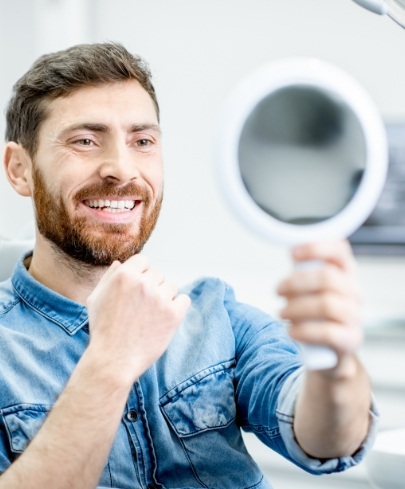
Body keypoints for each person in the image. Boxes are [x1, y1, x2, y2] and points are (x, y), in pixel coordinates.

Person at [0, 42, 378, 489]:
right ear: (19, 169)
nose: (122, 169)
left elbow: (328, 441)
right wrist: (110, 361)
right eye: (85, 140)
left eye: (143, 141)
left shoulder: (216, 314)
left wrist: (334, 366)